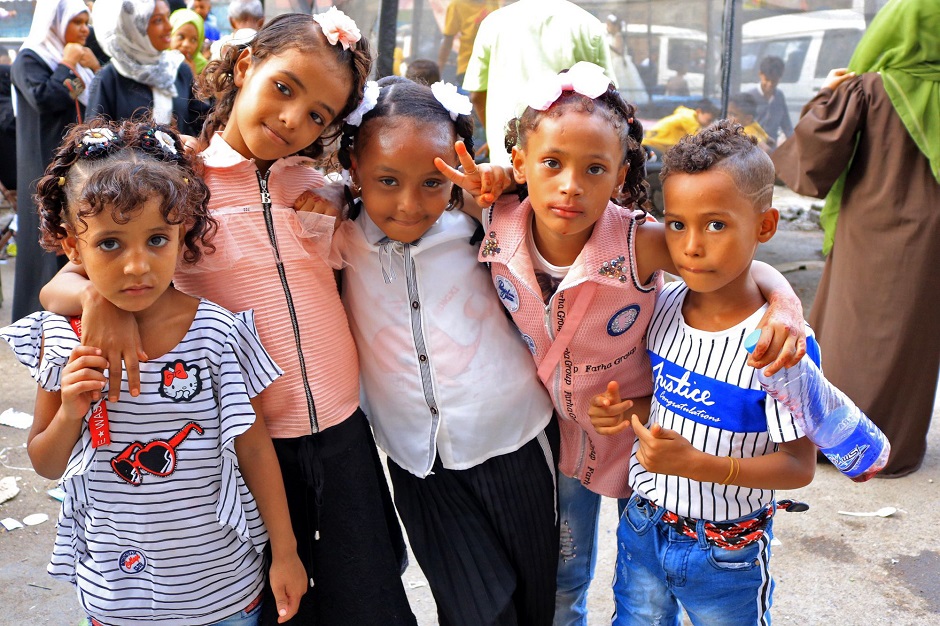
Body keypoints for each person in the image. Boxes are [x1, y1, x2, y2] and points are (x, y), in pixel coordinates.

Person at [39, 11, 417, 626]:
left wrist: (344, 191)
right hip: (242, 448)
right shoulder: (179, 181)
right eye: (285, 87)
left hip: (343, 437)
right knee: (270, 603)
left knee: (367, 599)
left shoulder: (319, 186)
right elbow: (64, 279)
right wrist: (97, 301)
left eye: (319, 114)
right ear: (245, 66)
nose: (295, 119)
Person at [447, 62, 807, 626]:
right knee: (566, 571)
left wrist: (786, 307)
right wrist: (491, 178)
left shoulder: (637, 240)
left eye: (594, 169)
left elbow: (734, 262)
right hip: (561, 435)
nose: (571, 185)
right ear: (521, 164)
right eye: (551, 164)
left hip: (643, 428)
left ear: (619, 178)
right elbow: (432, 188)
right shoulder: (498, 218)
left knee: (650, 568)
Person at [1, 118, 307, 625]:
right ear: (71, 246)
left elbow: (253, 448)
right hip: (116, 597)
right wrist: (72, 411)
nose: (137, 266)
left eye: (157, 239)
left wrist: (287, 551)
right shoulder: (62, 339)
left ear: (183, 230)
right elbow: (46, 463)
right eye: (110, 244)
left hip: (224, 591)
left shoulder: (218, 334)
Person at [337, 75, 558, 626]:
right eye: (387, 180)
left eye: (431, 184)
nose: (409, 205)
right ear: (353, 170)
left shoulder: (487, 225)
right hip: (420, 463)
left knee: (531, 608)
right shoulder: (333, 236)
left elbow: (601, 242)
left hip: (516, 444)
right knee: (478, 614)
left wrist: (508, 190)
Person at [594, 119, 816, 626]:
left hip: (726, 549)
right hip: (643, 522)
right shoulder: (662, 306)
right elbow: (670, 399)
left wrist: (699, 465)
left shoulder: (780, 345)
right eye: (677, 224)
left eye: (715, 224)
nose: (691, 246)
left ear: (764, 225)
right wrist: (625, 412)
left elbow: (799, 467)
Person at [771, 0, 940, 478]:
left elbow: (810, 161)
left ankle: (836, 438)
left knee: (849, 332)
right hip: (930, 243)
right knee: (911, 337)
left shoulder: (870, 89)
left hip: (868, 230)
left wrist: (827, 95)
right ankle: (896, 447)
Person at [11, 0, 99, 320]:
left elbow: (91, 103)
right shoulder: (29, 59)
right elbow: (45, 98)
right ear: (55, 24)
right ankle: (39, 316)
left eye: (87, 23)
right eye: (77, 22)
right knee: (46, 243)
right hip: (42, 165)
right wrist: (66, 65)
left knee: (72, 238)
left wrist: (93, 69)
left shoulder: (75, 59)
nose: (84, 30)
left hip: (71, 166)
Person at [462, 0, 615, 166]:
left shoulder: (493, 24)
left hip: (507, 161)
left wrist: (496, 140)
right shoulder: (588, 25)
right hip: (570, 167)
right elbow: (609, 101)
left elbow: (477, 95)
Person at [88, 0, 207, 137]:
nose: (169, 27)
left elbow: (202, 124)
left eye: (167, 17)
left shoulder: (178, 69)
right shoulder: (109, 78)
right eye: (158, 21)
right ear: (132, 28)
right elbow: (95, 141)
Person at [437, 0, 499, 85]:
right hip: (469, 68)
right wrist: (438, 70)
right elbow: (447, 41)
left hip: (495, 67)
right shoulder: (457, 5)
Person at [642, 98, 718, 154]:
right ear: (699, 111)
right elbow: (698, 139)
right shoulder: (689, 119)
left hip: (657, 145)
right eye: (708, 120)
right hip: (653, 145)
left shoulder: (689, 116)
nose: (709, 124)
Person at [604, 14, 648, 107]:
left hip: (619, 63)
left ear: (615, 26)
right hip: (615, 61)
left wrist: (607, 45)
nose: (608, 27)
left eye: (609, 25)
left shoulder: (618, 36)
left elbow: (619, 51)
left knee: (621, 83)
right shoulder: (612, 36)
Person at [749, 55, 792, 147]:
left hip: (772, 150)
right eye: (767, 80)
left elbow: (787, 125)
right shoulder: (750, 96)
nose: (770, 84)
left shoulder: (779, 96)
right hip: (752, 148)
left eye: (774, 81)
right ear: (760, 74)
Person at [170, 8, 208, 75]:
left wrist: (192, 76)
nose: (186, 44)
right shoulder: (155, 61)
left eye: (194, 40)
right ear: (170, 35)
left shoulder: (204, 69)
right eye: (181, 37)